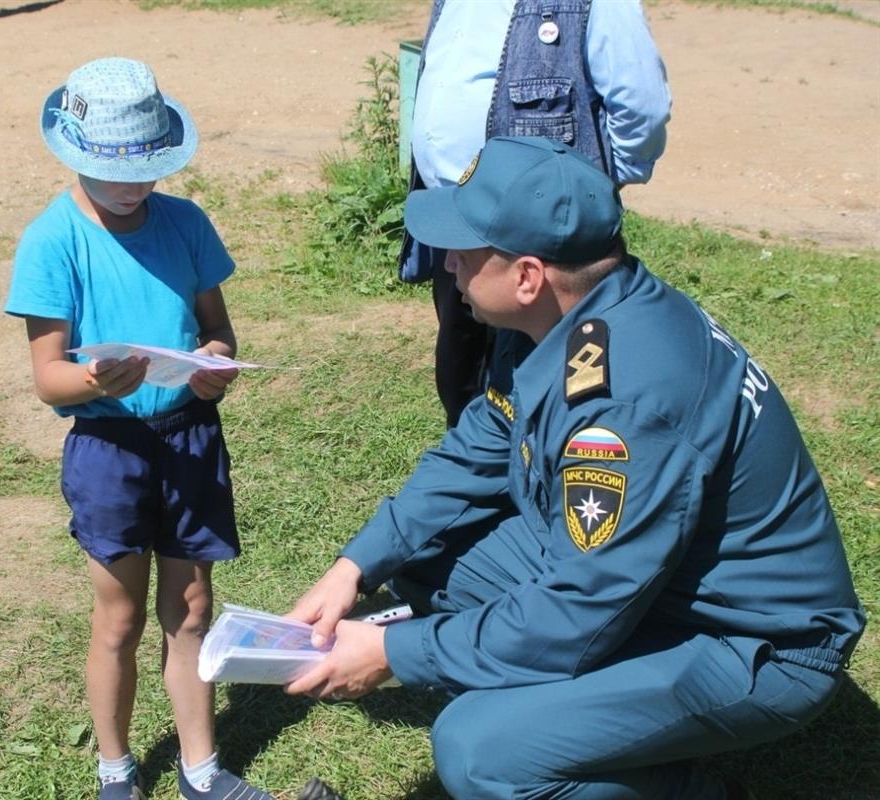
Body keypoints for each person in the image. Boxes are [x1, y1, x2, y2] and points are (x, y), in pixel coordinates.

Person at [286, 136, 866, 799]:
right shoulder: (568, 318)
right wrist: (355, 568)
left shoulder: (628, 403)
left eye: (465, 252)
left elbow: (581, 610)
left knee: (476, 749)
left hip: (751, 642)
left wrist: (395, 654)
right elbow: (478, 445)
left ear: (527, 275)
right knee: (422, 553)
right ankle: (599, 722)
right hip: (659, 582)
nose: (447, 264)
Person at [5, 56, 277, 800]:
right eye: (113, 171)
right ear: (74, 157)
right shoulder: (53, 241)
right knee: (118, 618)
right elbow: (47, 376)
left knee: (191, 608)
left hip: (189, 437)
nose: (132, 186)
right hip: (109, 450)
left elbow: (216, 329)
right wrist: (94, 379)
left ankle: (200, 769)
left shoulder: (186, 223)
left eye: (147, 171)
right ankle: (116, 769)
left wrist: (214, 365)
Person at [400, 0, 672, 427]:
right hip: (456, 222)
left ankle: (542, 474)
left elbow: (641, 107)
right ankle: (476, 467)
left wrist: (592, 190)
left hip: (534, 235)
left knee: (548, 383)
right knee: (462, 376)